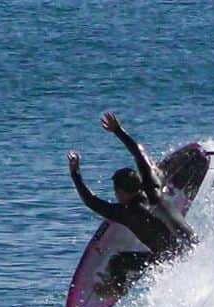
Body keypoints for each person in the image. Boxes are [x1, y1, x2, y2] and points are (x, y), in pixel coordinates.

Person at [66, 112, 197, 297]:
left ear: (121, 192)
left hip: (168, 259)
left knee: (118, 261)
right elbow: (138, 153)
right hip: (192, 246)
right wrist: (118, 131)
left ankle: (116, 288)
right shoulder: (154, 189)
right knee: (155, 174)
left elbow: (90, 201)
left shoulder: (127, 213)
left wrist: (75, 174)